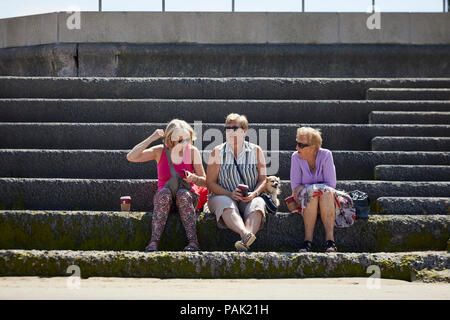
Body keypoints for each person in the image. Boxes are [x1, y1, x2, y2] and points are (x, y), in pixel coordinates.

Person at [126, 119, 207, 252]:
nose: (185, 143)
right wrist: (151, 138)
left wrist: (194, 178)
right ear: (171, 139)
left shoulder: (192, 151)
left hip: (186, 197)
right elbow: (131, 157)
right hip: (165, 199)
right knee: (164, 194)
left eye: (188, 139)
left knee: (183, 194)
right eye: (180, 140)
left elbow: (205, 181)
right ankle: (154, 242)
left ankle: (193, 242)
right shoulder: (160, 151)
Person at [206, 113, 267, 251]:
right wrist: (229, 193)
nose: (230, 131)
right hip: (222, 196)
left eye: (234, 128)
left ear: (244, 131)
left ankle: (245, 242)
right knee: (225, 202)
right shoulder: (217, 152)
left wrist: (254, 193)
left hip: (248, 198)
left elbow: (263, 179)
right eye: (228, 128)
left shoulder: (256, 151)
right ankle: (245, 234)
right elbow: (210, 183)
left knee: (258, 203)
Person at [290, 126, 338, 252]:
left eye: (301, 145)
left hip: (326, 200)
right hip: (305, 200)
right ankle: (307, 240)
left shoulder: (326, 155)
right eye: (297, 143)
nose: (296, 148)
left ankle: (330, 240)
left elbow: (331, 184)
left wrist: (308, 187)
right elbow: (295, 187)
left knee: (325, 192)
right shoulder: (295, 157)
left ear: (313, 148)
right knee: (312, 193)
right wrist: (313, 188)